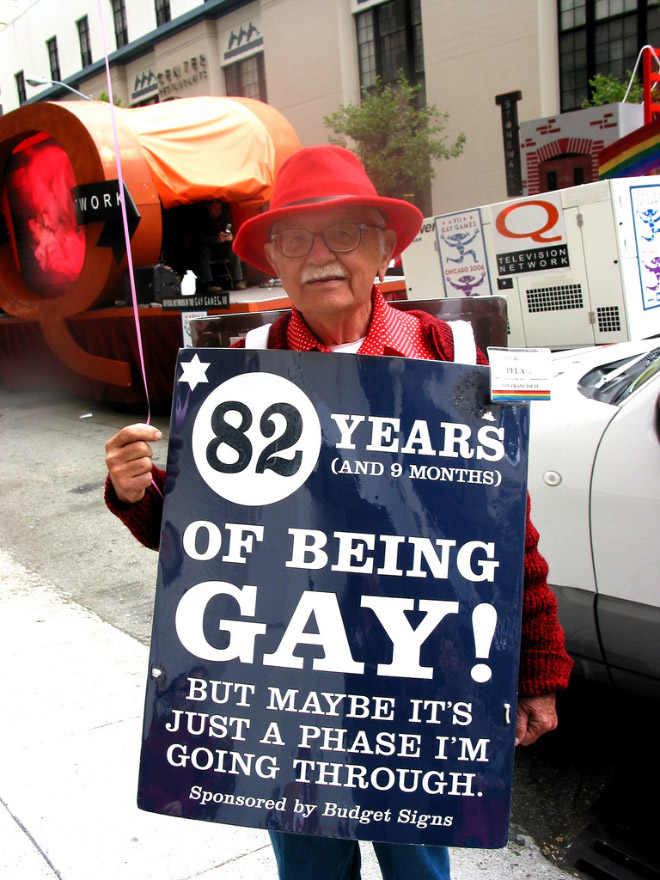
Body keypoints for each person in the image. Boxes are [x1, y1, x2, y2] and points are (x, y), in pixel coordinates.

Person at [104, 145, 573, 880]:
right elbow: (208, 540)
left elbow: (511, 527)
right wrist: (140, 495)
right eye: (295, 239)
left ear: (385, 249)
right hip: (287, 682)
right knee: (311, 865)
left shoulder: (461, 352)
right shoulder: (243, 365)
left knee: (419, 863)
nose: (319, 256)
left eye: (344, 234)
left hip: (419, 685)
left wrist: (535, 665)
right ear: (273, 261)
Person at [189, 198, 246, 292]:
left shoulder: (225, 218)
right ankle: (208, 283)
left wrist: (230, 237)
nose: (217, 211)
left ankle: (238, 280)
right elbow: (199, 238)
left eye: (219, 208)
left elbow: (231, 232)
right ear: (208, 208)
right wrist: (216, 239)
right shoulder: (202, 220)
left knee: (234, 248)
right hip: (208, 249)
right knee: (203, 252)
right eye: (215, 208)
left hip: (222, 248)